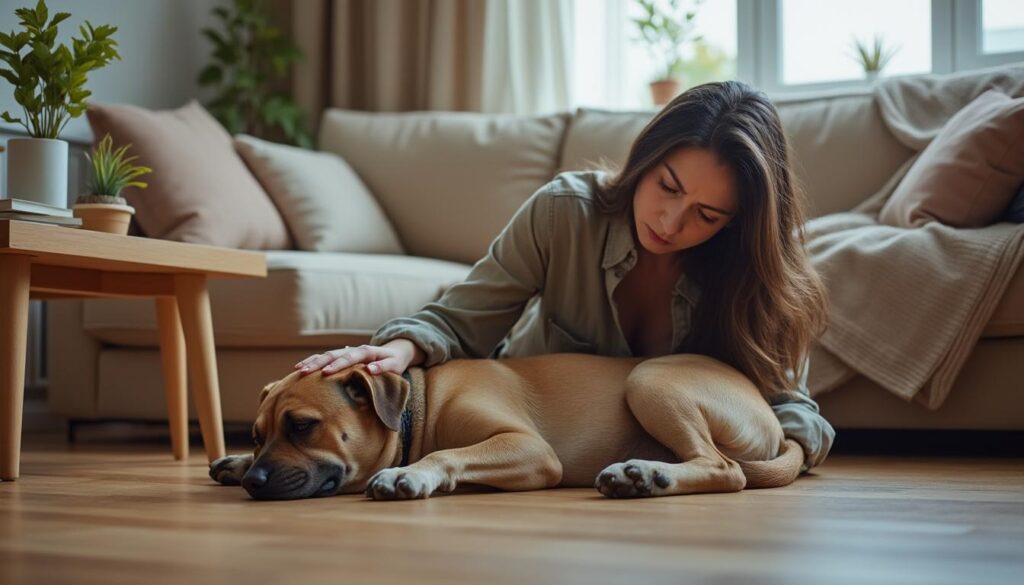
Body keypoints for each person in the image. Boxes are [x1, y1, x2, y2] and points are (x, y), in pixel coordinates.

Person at [295, 80, 835, 473]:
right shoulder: (564, 212)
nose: (671, 223)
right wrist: (402, 349)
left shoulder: (758, 273)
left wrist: (774, 457)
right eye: (668, 186)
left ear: (737, 224)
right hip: (527, 440)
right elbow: (462, 318)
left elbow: (793, 407)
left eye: (707, 215)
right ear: (645, 160)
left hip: (664, 459)